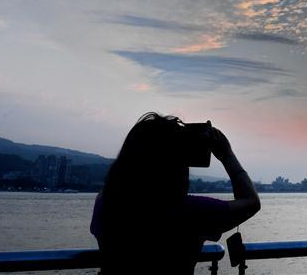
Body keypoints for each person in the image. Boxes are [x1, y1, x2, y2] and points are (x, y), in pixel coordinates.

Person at [91, 113, 261, 274]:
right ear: (176, 163)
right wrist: (227, 154)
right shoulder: (190, 211)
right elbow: (251, 202)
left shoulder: (104, 203)